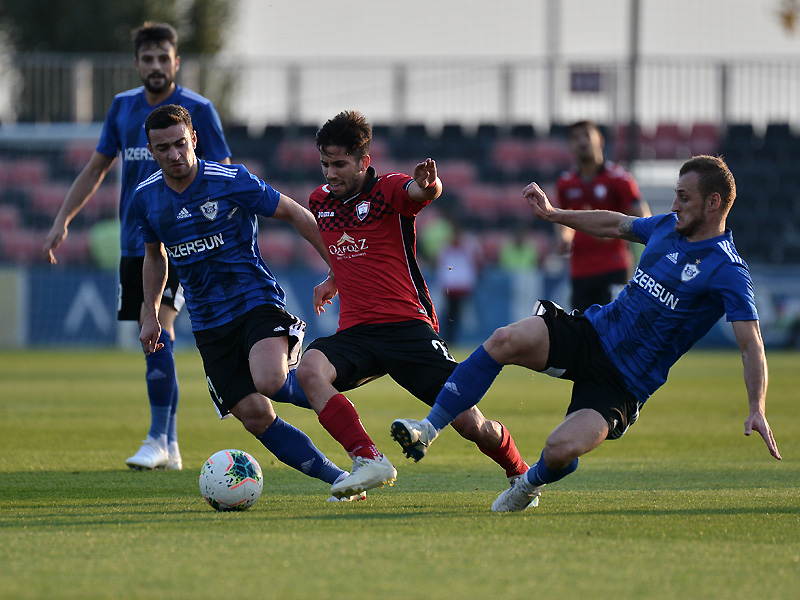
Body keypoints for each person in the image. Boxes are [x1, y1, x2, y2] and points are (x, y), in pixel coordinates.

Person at [391, 155, 782, 512]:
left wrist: (757, 408)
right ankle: (429, 428)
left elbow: (751, 346)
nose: (675, 204)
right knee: (504, 339)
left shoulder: (728, 270)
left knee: (559, 450)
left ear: (713, 203)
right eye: (676, 195)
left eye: (684, 197)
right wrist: (555, 214)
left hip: (624, 382)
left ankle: (528, 484)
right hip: (592, 332)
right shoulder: (666, 227)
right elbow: (614, 223)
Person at [295, 110, 529, 500]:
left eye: (339, 164)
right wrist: (334, 279)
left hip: (406, 327)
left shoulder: (388, 189)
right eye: (324, 163)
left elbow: (420, 194)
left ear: (363, 162)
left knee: (471, 424)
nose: (330, 173)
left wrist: (430, 184)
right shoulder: (320, 201)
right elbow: (350, 246)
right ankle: (368, 458)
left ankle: (520, 473)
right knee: (309, 370)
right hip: (355, 331)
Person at [135, 104, 363, 502]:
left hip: (255, 301)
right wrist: (150, 313)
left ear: (194, 140)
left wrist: (337, 270)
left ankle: (337, 403)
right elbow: (155, 257)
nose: (173, 154)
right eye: (162, 148)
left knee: (270, 379)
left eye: (179, 144)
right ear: (151, 151)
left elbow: (295, 213)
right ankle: (342, 479)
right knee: (255, 415)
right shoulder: (146, 199)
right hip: (207, 324)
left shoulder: (229, 180)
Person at [43, 23, 232, 471]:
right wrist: (62, 219)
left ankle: (157, 438)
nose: (155, 66)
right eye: (147, 59)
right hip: (137, 243)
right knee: (149, 334)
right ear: (137, 64)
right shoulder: (123, 108)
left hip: (185, 241)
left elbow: (224, 175)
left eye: (163, 58)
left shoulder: (199, 109)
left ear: (176, 62)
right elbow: (95, 169)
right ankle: (169, 443)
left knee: (160, 327)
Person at [556, 120, 651, 311]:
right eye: (575, 138)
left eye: (586, 135)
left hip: (613, 267)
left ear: (600, 140)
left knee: (614, 328)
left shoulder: (620, 179)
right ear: (571, 146)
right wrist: (563, 239)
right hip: (580, 270)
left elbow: (644, 219)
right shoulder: (565, 184)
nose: (582, 141)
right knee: (582, 329)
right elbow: (562, 217)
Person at [435, 222, 482, 344]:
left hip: (461, 285)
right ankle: (452, 339)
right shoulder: (448, 248)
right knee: (451, 314)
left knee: (459, 315)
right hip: (453, 286)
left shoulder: (466, 247)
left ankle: (457, 339)